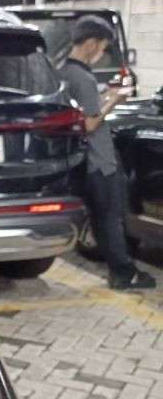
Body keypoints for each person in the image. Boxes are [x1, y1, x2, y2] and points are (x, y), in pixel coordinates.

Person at [61, 15, 156, 291]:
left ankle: (120, 269)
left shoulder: (64, 72)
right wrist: (115, 100)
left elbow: (83, 111)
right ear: (91, 44)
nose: (102, 54)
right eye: (103, 47)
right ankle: (123, 273)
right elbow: (90, 123)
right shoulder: (83, 78)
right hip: (99, 161)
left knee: (100, 217)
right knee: (110, 218)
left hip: (83, 161)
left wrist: (105, 96)